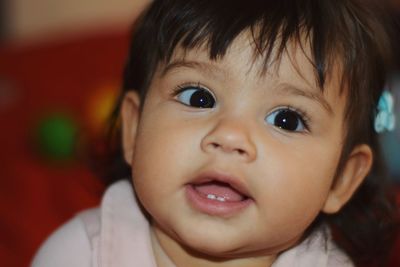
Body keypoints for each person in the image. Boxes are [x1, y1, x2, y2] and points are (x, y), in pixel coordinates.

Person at [32, 0, 399, 266]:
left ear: (340, 179)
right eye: (199, 97)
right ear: (133, 129)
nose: (230, 136)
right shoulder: (81, 253)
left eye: (286, 119)